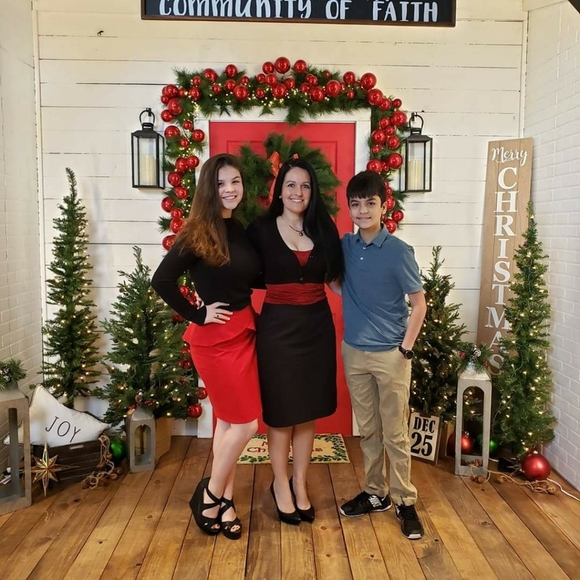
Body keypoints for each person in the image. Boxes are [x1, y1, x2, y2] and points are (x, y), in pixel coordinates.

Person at [151, 153, 261, 541]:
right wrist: (198, 314)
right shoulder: (196, 231)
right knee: (246, 424)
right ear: (208, 189)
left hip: (245, 331)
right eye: (220, 183)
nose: (230, 189)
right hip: (215, 342)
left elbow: (250, 278)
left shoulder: (240, 227)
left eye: (235, 181)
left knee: (229, 422)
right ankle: (211, 495)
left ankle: (226, 502)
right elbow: (161, 280)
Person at [247, 158, 343, 525]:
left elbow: (335, 280)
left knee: (306, 411)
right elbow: (240, 274)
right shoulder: (260, 229)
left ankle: (299, 483)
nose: (297, 192)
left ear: (312, 191)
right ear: (279, 190)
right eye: (290, 185)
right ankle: (280, 484)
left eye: (305, 185)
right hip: (277, 331)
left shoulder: (324, 227)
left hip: (316, 328)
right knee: (281, 412)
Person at [337, 170, 427, 540]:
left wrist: (405, 348)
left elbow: (419, 305)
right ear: (349, 209)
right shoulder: (345, 246)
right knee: (369, 429)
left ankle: (405, 500)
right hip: (354, 353)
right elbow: (334, 280)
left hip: (391, 354)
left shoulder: (398, 251)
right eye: (356, 204)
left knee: (395, 432)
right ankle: (376, 493)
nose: (363, 210)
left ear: (383, 206)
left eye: (370, 203)